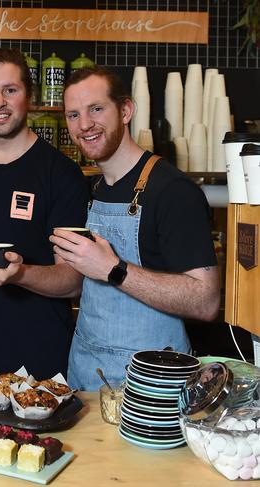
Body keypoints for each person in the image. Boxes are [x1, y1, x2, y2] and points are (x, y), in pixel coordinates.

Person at [53, 66, 220, 391]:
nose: (84, 124)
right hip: (86, 374)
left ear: (126, 110)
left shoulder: (173, 191)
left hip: (151, 384)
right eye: (73, 115)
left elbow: (206, 301)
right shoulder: (94, 188)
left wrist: (113, 269)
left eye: (96, 109)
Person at [0, 48, 90, 380]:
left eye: (10, 90)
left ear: (30, 96)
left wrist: (20, 274)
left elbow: (73, 280)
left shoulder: (62, 174)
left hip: (41, 367)